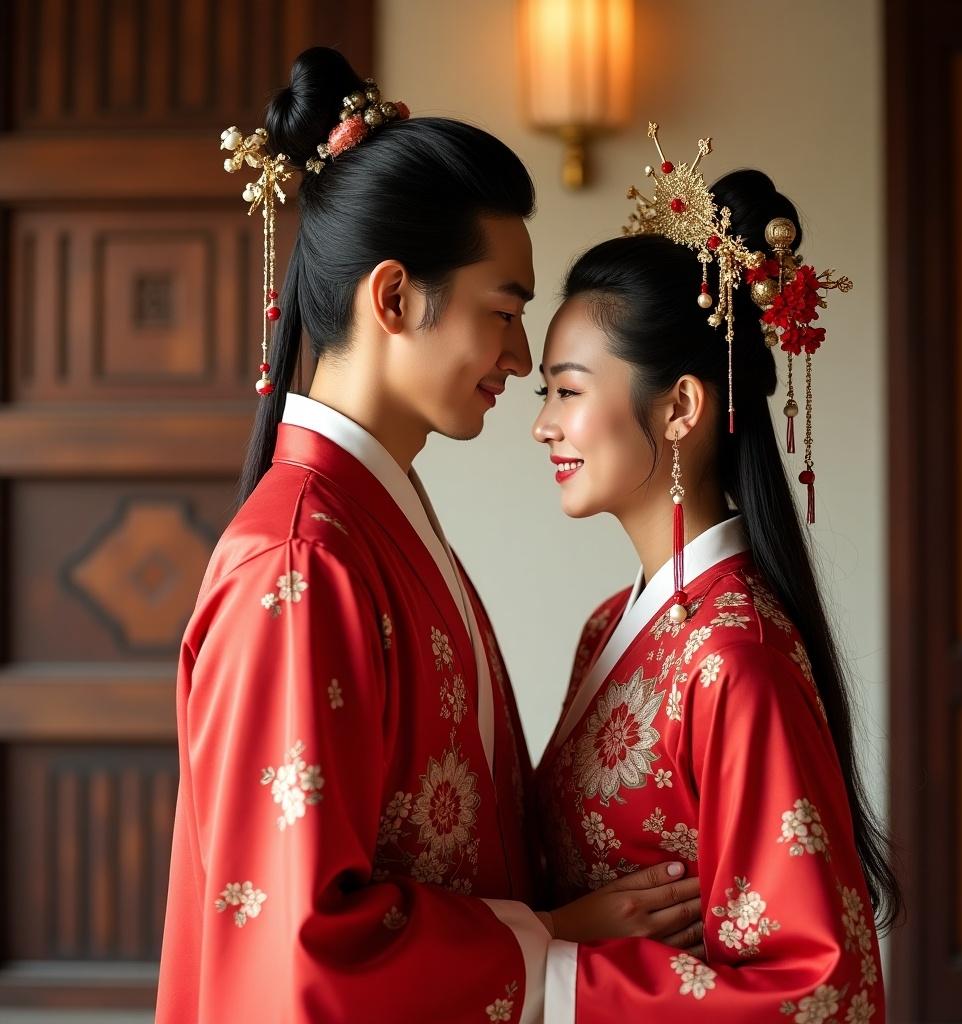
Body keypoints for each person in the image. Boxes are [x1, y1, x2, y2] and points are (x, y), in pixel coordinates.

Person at [155, 49, 702, 1024]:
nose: (521, 358)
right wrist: (556, 943)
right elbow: (301, 943)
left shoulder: (369, 525)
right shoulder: (300, 563)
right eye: (504, 311)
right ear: (394, 296)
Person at [529, 138, 901, 1019]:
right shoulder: (610, 625)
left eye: (567, 392)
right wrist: (554, 935)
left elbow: (816, 987)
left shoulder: (734, 657)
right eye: (544, 393)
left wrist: (562, 971)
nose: (543, 425)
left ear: (682, 406)